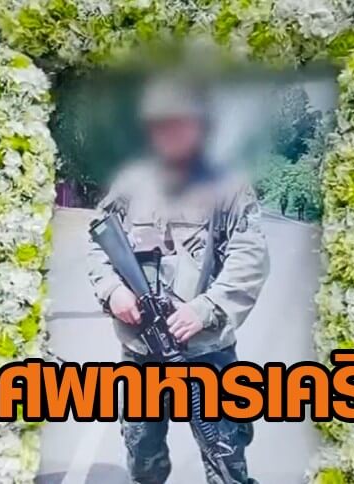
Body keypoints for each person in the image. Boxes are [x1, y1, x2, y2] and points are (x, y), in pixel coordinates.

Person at [87, 77, 270, 484]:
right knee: (143, 460)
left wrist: (205, 308)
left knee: (225, 459)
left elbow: (250, 257)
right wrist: (112, 291)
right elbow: (98, 242)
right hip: (141, 353)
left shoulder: (228, 185)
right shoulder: (130, 184)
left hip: (207, 352)